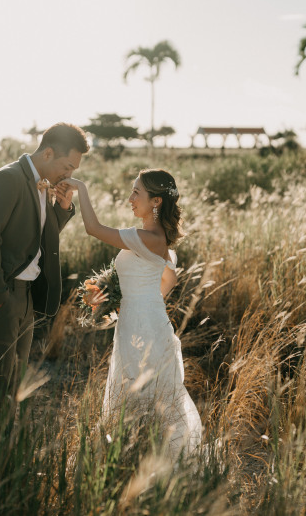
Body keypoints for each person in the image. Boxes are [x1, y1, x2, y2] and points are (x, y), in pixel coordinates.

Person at [0, 122, 89, 435]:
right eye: (67, 166)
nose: (69, 175)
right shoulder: (7, 179)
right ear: (48, 152)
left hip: (25, 297)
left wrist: (63, 208)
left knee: (13, 384)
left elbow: (36, 238)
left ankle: (0, 457)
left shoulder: (42, 184)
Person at [63, 169, 203, 459]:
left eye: (136, 193)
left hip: (142, 330)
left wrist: (82, 188)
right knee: (140, 396)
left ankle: (144, 461)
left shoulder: (148, 237)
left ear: (156, 202)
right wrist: (117, 299)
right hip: (142, 322)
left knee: (141, 398)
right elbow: (168, 280)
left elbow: (93, 229)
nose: (130, 199)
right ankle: (138, 458)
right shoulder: (157, 240)